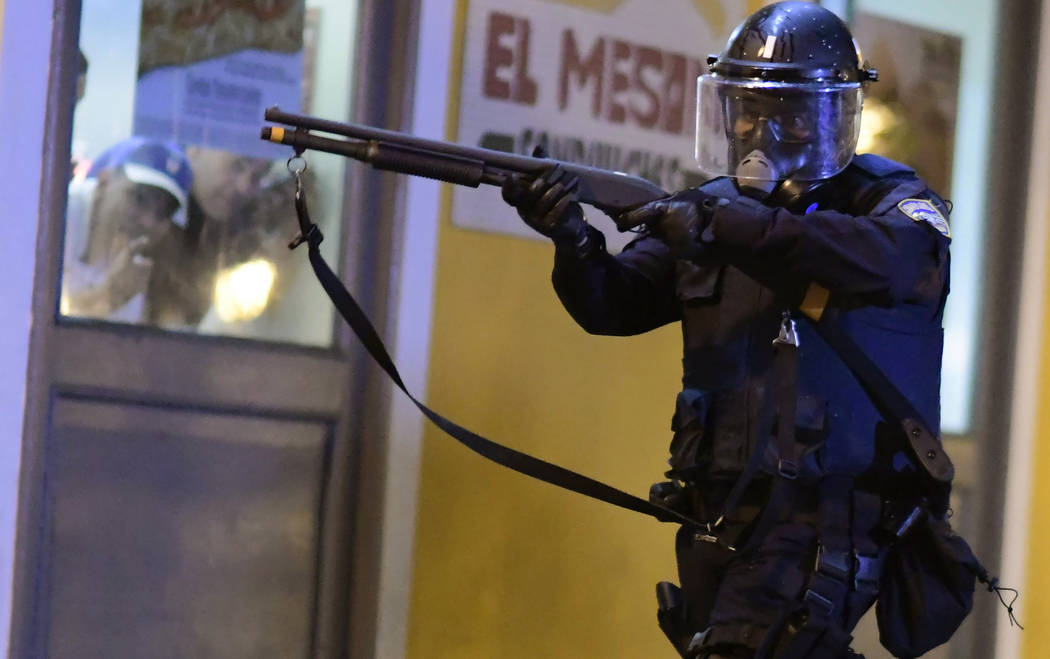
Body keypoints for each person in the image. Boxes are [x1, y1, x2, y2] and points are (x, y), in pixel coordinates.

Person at [501, 3, 954, 658]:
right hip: (718, 518)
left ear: (835, 115)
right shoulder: (719, 209)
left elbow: (897, 258)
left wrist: (726, 227)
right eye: (747, 110)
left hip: (823, 518)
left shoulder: (884, 204)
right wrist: (572, 239)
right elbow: (612, 305)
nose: (761, 131)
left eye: (789, 115)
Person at [61, 137, 193, 323]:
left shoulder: (133, 272)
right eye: (140, 198)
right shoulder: (55, 215)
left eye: (163, 213)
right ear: (104, 182)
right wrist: (107, 296)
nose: (148, 222)